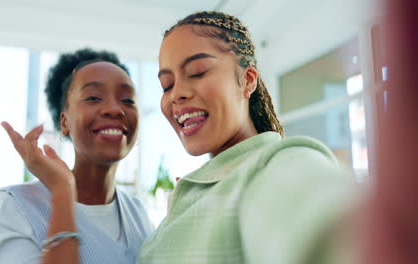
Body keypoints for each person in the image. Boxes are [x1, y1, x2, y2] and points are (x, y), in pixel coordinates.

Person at [137, 11, 358, 263]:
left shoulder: (276, 168)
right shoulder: (203, 190)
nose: (176, 94)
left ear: (247, 80)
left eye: (197, 72)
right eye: (167, 85)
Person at [0, 48, 154, 264]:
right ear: (64, 122)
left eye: (128, 100)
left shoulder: (138, 213)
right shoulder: (14, 205)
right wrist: (63, 191)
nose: (114, 109)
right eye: (93, 97)